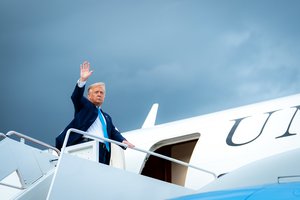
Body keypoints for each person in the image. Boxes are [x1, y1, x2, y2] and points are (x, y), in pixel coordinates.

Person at [55, 61, 134, 164]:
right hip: (87, 147)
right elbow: (76, 97)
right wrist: (82, 80)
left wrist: (123, 141)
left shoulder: (106, 117)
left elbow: (114, 132)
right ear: (89, 96)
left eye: (102, 93)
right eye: (96, 92)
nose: (99, 94)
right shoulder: (84, 106)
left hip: (104, 151)